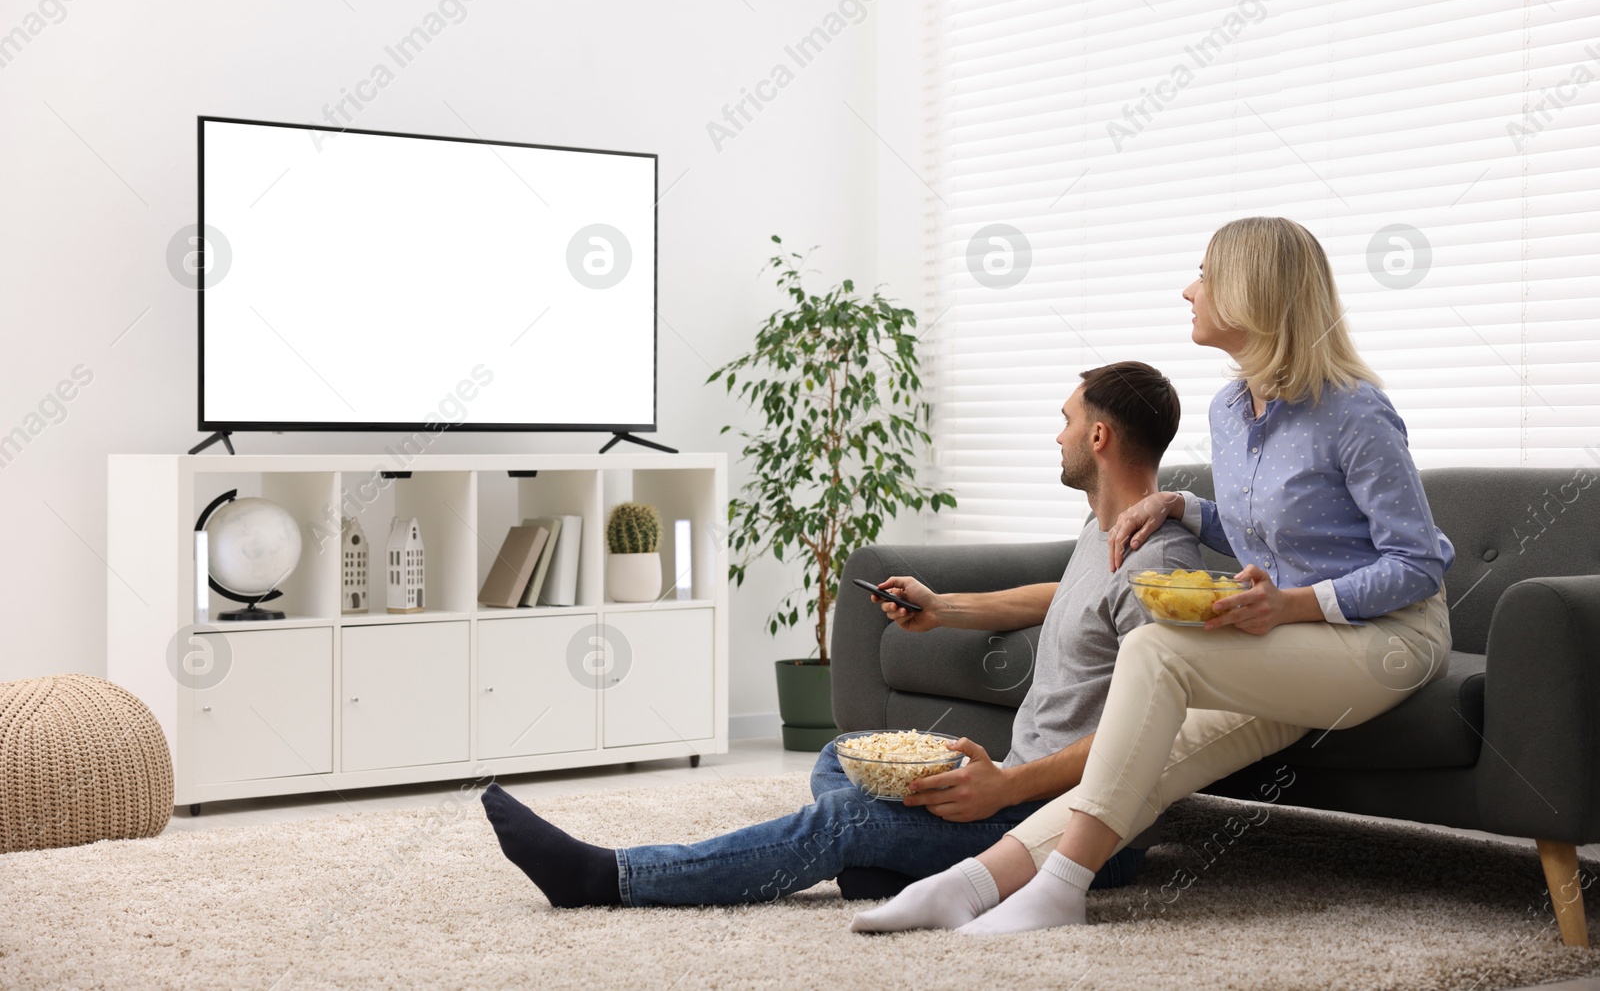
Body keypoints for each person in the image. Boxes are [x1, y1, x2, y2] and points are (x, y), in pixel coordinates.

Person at [852, 216, 1455, 935]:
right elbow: (1279, 530)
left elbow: (1417, 565)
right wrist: (1183, 504)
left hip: (1386, 641)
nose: (1188, 289)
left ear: (1251, 291)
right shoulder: (1230, 410)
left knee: (1154, 647)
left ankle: (1061, 888)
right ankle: (971, 882)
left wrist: (1290, 605)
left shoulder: (1355, 412)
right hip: (1300, 653)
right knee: (1154, 751)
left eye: (1203, 274)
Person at [479, 360, 1204, 909]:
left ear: (1100, 436)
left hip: (1081, 832)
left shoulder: (1159, 558)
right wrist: (941, 606)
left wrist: (1005, 784)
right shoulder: (1107, 531)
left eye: (1068, 419)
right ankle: (885, 868)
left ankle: (611, 877)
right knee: (842, 755)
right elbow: (1060, 598)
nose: (1059, 433)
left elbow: (1144, 733)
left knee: (845, 819)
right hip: (1018, 791)